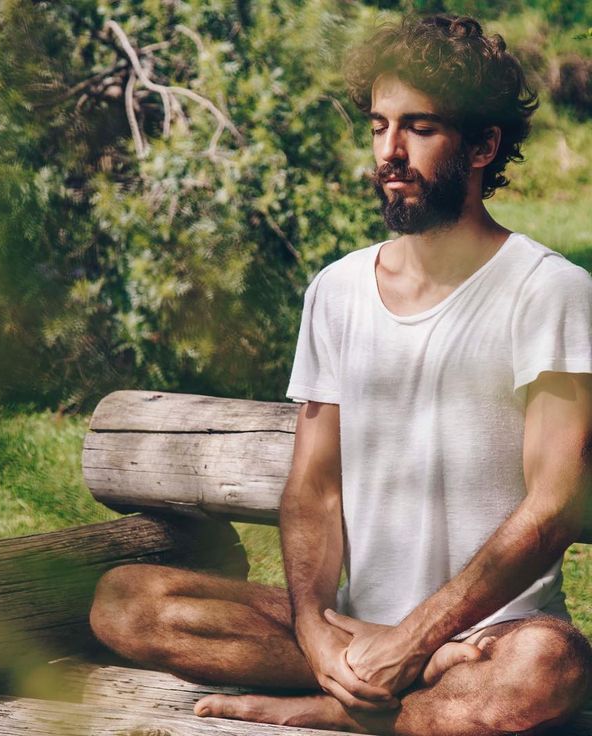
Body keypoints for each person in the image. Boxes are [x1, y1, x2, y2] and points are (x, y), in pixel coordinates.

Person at [88, 14, 592, 735]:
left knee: (551, 668)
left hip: (490, 639)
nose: (390, 151)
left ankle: (351, 709)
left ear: (483, 145)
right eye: (380, 125)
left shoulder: (549, 291)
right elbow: (314, 489)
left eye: (420, 127)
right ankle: (382, 690)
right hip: (360, 629)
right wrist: (317, 629)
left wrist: (414, 639)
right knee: (125, 601)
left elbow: (552, 509)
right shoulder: (338, 290)